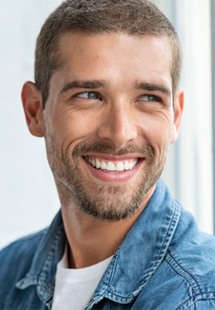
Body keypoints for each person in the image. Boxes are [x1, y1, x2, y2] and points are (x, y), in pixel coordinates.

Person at [1, 0, 215, 309]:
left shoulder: (198, 297)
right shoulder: (7, 272)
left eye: (149, 98)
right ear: (35, 111)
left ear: (175, 117)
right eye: (89, 96)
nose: (119, 133)